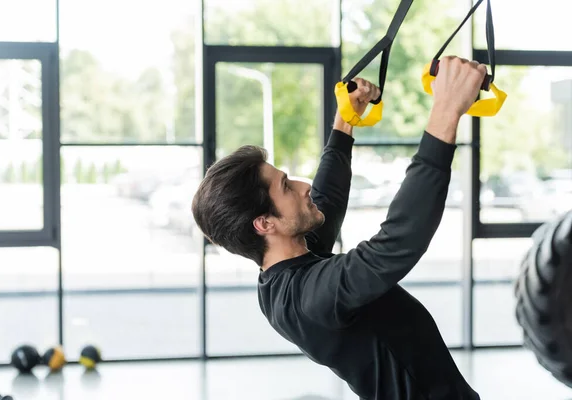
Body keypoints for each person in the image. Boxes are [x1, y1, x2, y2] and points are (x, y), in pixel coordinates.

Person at [191, 56, 486, 400]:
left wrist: (345, 121)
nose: (303, 186)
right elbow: (396, 244)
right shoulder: (308, 299)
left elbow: (325, 198)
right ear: (265, 223)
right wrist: (446, 111)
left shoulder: (286, 267)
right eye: (286, 186)